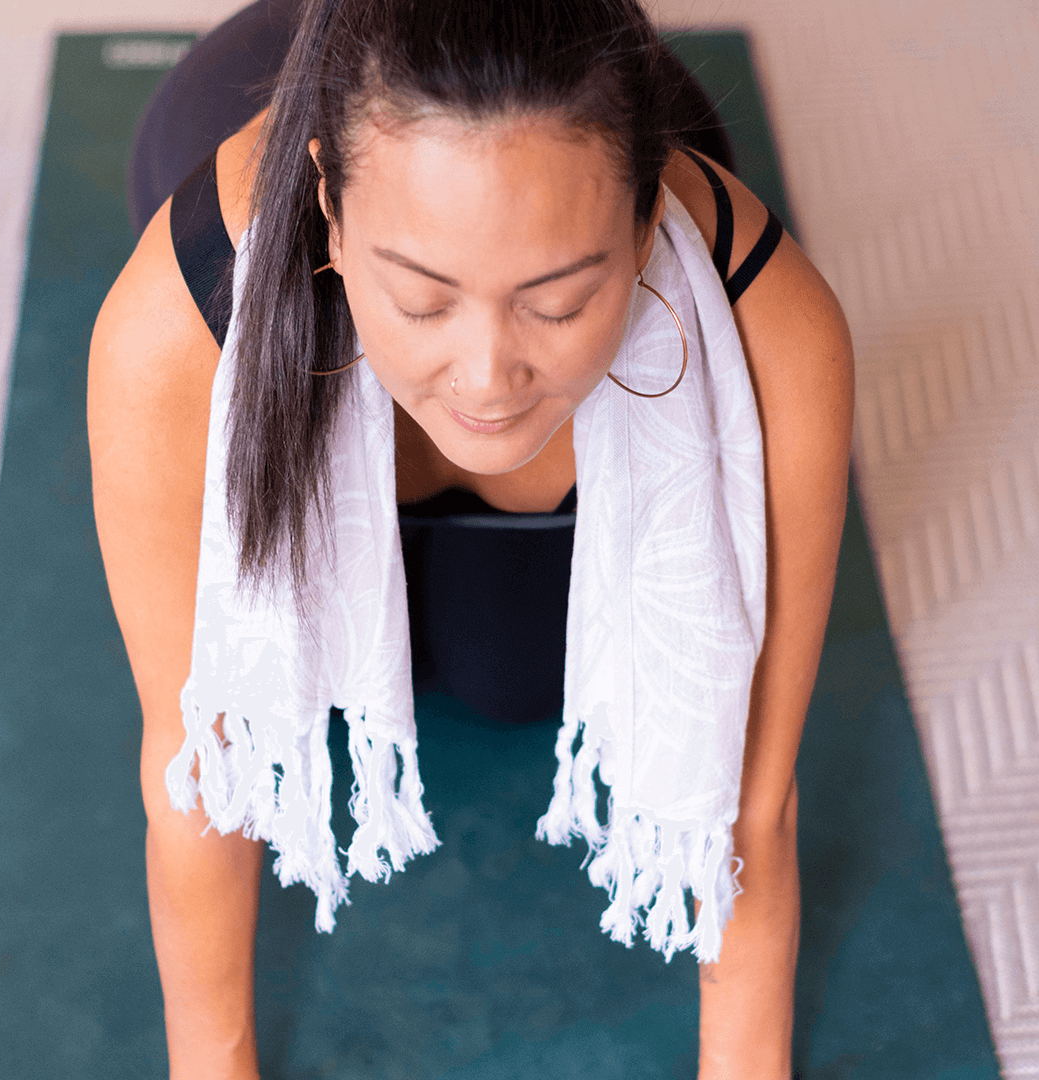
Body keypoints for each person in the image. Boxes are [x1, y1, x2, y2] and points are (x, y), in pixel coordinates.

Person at [87, 0, 854, 1077]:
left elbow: (750, 790)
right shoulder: (177, 325)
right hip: (270, 99)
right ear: (332, 220)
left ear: (640, 236)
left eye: (558, 302)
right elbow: (198, 757)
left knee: (510, 676)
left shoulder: (767, 323)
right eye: (422, 299)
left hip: (564, 122)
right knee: (309, 661)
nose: (488, 379)